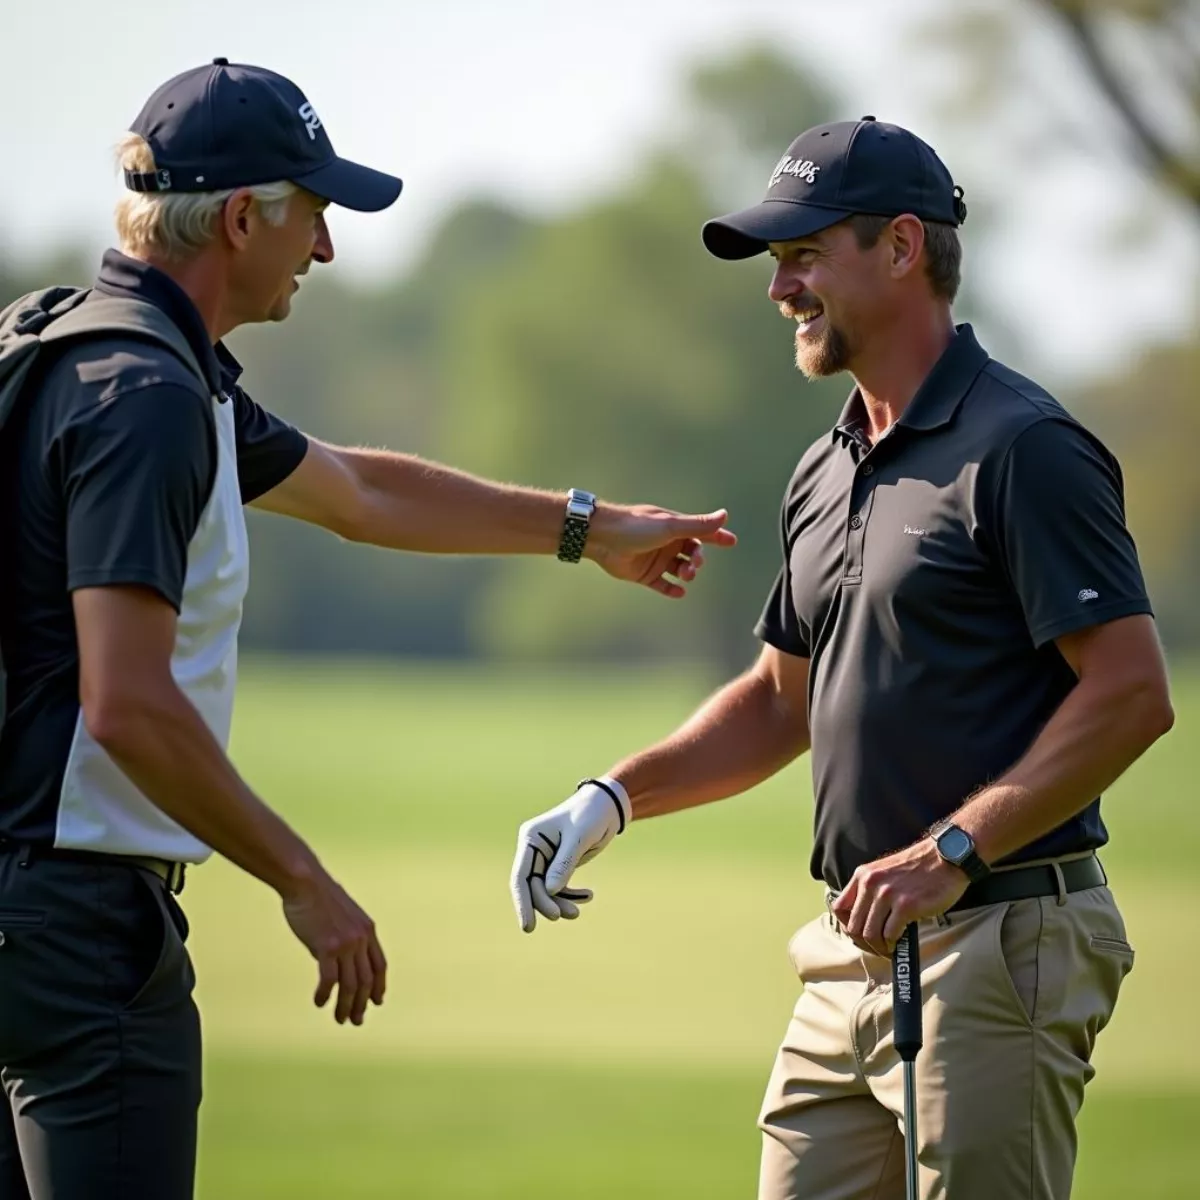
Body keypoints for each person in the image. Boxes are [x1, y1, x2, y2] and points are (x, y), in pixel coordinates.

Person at [0, 58, 737, 1200]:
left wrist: (588, 529)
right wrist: (303, 879)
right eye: (314, 214)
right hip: (74, 930)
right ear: (242, 217)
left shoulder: (82, 348)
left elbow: (358, 494)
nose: (327, 250)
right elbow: (128, 704)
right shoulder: (142, 397)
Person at [510, 115, 1175, 1200]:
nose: (781, 289)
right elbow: (781, 703)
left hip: (1000, 940)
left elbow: (1133, 693)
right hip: (848, 954)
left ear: (904, 248)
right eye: (778, 263)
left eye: (805, 255)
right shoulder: (825, 466)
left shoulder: (1024, 448)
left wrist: (950, 848)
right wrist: (608, 799)